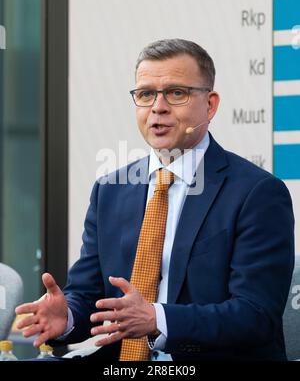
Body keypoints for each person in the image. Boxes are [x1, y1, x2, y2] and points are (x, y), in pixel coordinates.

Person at [16, 39, 294, 361]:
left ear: (211, 104)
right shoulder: (109, 190)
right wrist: (68, 317)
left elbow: (255, 315)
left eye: (177, 93)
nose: (157, 107)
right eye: (146, 94)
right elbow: (88, 296)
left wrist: (157, 319)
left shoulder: (257, 194)